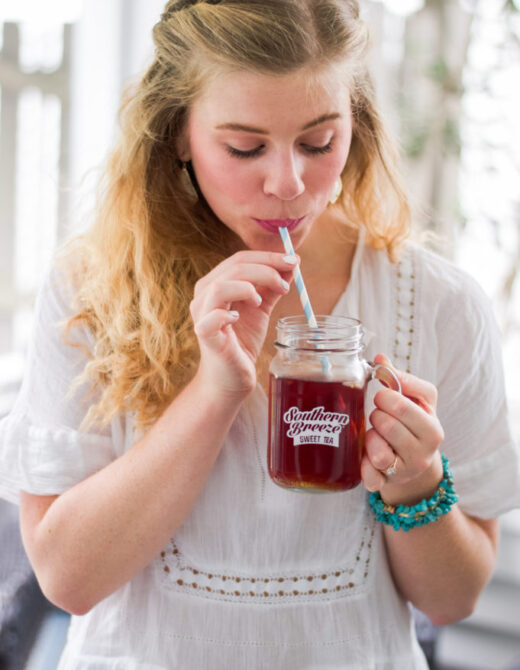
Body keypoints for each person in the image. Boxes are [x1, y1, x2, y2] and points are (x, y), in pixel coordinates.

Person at [0, 1, 518, 668]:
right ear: (180, 133)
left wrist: (415, 482)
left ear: (353, 123)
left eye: (319, 142)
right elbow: (68, 580)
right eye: (244, 147)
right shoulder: (92, 290)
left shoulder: (440, 305)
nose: (288, 183)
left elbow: (453, 599)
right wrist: (214, 392)